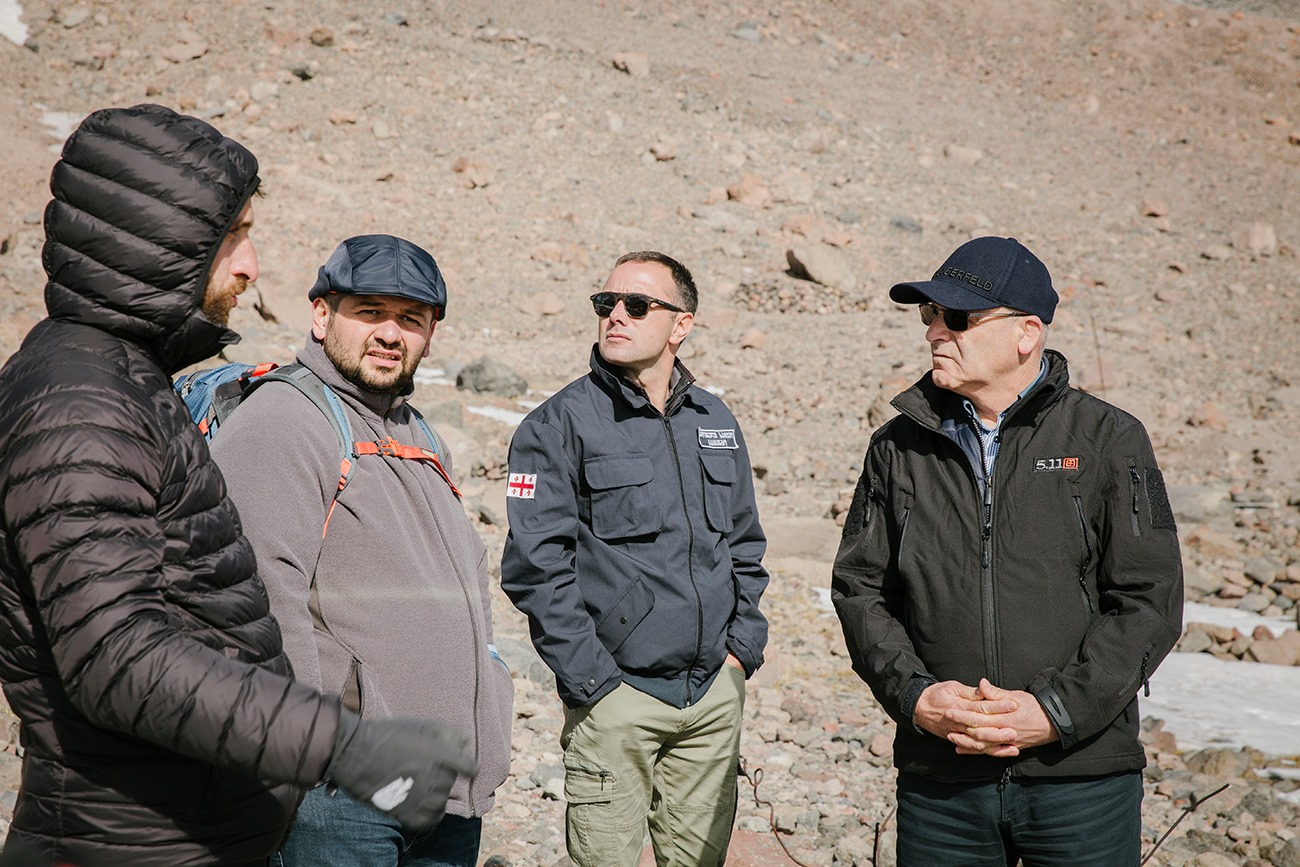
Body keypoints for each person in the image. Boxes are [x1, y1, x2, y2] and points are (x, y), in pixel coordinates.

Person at [0, 105, 475, 867]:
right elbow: (115, 655)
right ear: (164, 243)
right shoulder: (82, 403)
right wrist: (342, 743)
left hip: (178, 827)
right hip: (125, 839)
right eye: (233, 236)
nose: (251, 266)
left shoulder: (124, 385)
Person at [831, 236, 1184, 866]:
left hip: (1081, 780)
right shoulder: (895, 447)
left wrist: (1054, 712)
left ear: (1027, 333)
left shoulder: (1110, 438)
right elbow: (860, 589)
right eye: (929, 315)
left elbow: (1149, 600)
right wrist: (917, 698)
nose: (935, 332)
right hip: (942, 782)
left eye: (957, 317)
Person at [208, 234, 514, 867]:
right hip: (342, 796)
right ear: (322, 316)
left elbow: (468, 581)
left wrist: (492, 688)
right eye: (369, 312)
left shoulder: (418, 431)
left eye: (411, 319)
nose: (390, 334)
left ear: (431, 334)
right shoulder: (285, 420)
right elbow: (260, 596)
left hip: (444, 789)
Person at [500, 251, 770, 867]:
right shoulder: (556, 425)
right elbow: (534, 567)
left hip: (712, 696)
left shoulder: (715, 420)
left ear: (682, 325)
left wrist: (741, 650)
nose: (616, 315)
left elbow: (744, 544)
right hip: (616, 698)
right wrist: (593, 681)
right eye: (607, 303)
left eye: (638, 305)